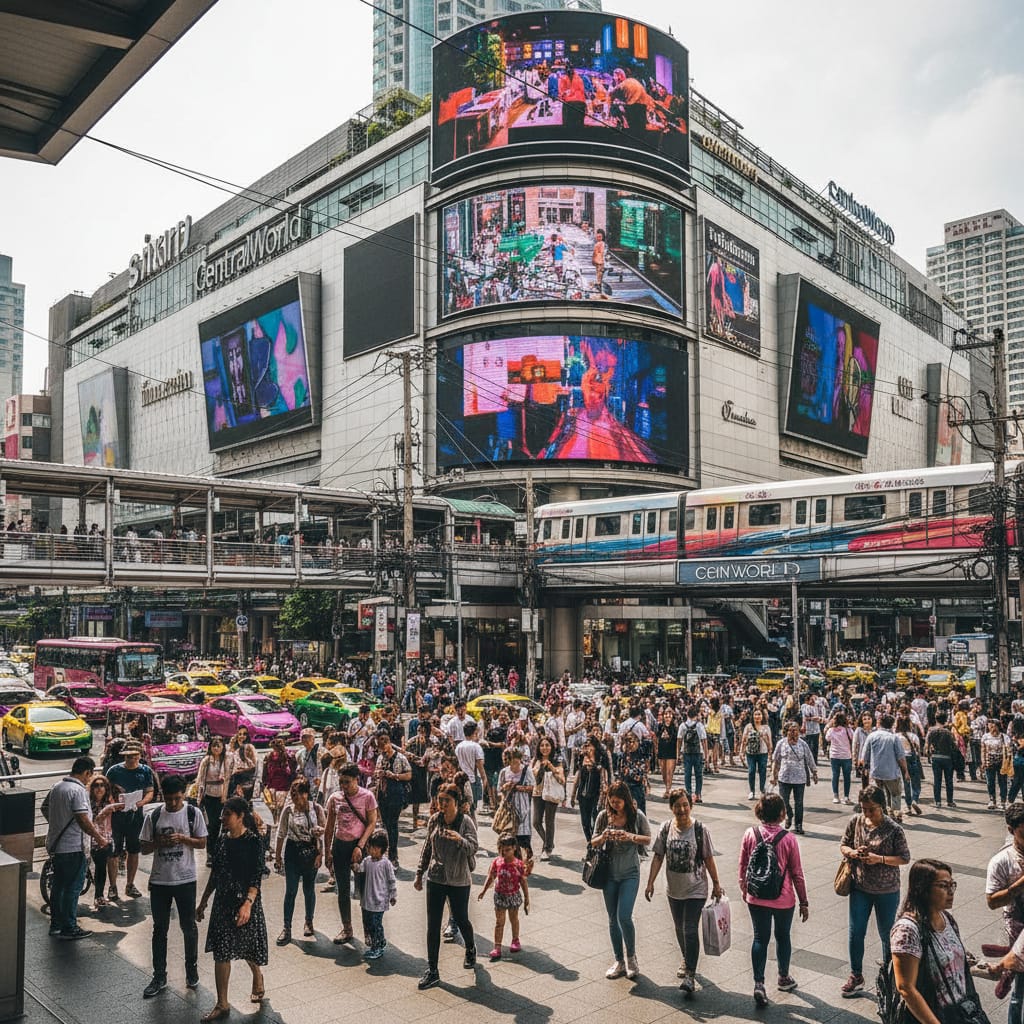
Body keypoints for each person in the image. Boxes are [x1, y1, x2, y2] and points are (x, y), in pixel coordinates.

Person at [644, 788, 723, 996]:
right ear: (671, 808)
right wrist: (650, 882)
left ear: (691, 805)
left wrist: (716, 883)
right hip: (674, 888)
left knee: (689, 928)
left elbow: (708, 858)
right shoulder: (666, 828)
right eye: (677, 805)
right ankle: (687, 959)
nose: (682, 809)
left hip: (696, 888)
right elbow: (658, 856)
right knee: (679, 928)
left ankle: (690, 974)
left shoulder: (700, 829)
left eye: (685, 805)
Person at [195, 798, 268, 1022]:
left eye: (227, 814)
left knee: (247, 946)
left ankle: (257, 974)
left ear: (240, 816)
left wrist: (248, 903)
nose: (222, 818)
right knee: (222, 951)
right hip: (223, 902)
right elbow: (216, 873)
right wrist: (204, 901)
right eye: (223, 814)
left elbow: (256, 875)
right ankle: (222, 1003)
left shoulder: (254, 841)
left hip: (246, 901)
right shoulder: (221, 840)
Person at [837, 784, 911, 997]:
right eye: (864, 809)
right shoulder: (856, 822)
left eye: (872, 809)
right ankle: (856, 974)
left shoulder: (894, 829)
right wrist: (853, 852)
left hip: (887, 890)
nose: (867, 813)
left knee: (888, 934)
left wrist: (879, 859)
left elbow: (904, 858)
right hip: (860, 887)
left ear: (882, 806)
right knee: (855, 931)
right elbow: (843, 844)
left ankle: (892, 977)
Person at [140, 774, 208, 999]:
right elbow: (144, 848)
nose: (173, 803)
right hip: (160, 880)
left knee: (189, 927)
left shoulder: (192, 813)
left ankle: (192, 970)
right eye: (169, 799)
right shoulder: (155, 815)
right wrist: (160, 842)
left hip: (185, 879)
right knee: (160, 929)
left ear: (183, 794)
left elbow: (202, 842)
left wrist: (183, 839)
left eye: (177, 799)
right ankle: (159, 975)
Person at [737, 793, 808, 1006]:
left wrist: (745, 888)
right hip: (783, 898)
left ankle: (759, 983)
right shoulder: (788, 839)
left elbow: (743, 865)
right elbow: (797, 872)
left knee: (760, 938)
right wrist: (803, 901)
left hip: (756, 896)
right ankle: (783, 977)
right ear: (781, 813)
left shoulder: (750, 834)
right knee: (783, 936)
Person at [891, 859, 977, 1024]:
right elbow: (906, 988)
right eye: (943, 886)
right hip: (932, 1015)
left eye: (952, 885)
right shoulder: (907, 930)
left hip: (959, 1012)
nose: (951, 892)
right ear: (922, 890)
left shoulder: (947, 919)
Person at [414, 781, 479, 990]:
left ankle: (470, 947)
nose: (442, 804)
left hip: (459, 879)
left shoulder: (465, 822)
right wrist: (419, 873)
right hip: (436, 877)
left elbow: (473, 847)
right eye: (440, 800)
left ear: (457, 803)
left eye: (447, 801)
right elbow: (427, 848)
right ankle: (432, 970)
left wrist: (459, 839)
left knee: (461, 918)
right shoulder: (435, 820)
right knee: (433, 925)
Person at [591, 780, 652, 981]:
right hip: (609, 873)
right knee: (611, 918)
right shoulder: (603, 816)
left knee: (624, 916)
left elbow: (648, 838)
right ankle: (619, 961)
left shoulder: (636, 815)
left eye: (618, 801)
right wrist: (604, 837)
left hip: (630, 873)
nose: (615, 804)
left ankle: (632, 957)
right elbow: (593, 841)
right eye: (612, 800)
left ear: (626, 799)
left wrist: (629, 836)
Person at [45, 756, 109, 940]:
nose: (90, 780)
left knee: (58, 888)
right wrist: (99, 838)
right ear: (87, 772)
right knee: (72, 889)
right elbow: (82, 819)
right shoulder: (78, 790)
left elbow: (47, 809)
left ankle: (56, 924)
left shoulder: (57, 787)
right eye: (90, 776)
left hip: (57, 846)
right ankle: (69, 927)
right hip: (73, 847)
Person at [323, 763, 378, 945]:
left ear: (356, 780)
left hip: (359, 846)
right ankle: (347, 928)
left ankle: (368, 930)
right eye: (341, 782)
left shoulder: (367, 796)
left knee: (363, 891)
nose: (344, 786)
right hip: (340, 846)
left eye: (347, 782)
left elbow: (372, 822)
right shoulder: (335, 798)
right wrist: (327, 852)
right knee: (343, 891)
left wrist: (360, 846)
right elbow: (329, 826)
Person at [274, 778, 325, 946]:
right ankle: (286, 927)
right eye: (292, 795)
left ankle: (309, 922)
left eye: (297, 795)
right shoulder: (288, 811)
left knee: (308, 889)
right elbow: (281, 833)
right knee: (291, 891)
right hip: (292, 852)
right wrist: (278, 856)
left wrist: (321, 854)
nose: (294, 799)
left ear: (306, 794)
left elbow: (324, 833)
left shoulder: (316, 809)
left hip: (311, 852)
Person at [986, 802, 1024, 1023]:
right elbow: (991, 902)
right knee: (1019, 991)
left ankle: (1002, 968)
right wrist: (1020, 883)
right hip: (1018, 927)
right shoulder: (1001, 861)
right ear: (1011, 830)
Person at [106, 741, 155, 900]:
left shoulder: (146, 771)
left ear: (139, 756)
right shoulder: (114, 771)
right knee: (113, 852)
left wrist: (140, 803)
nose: (132, 759)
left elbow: (150, 792)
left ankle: (130, 884)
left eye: (134, 756)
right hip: (116, 817)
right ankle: (112, 886)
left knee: (134, 851)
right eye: (128, 756)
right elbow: (106, 791)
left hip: (136, 816)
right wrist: (113, 802)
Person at [478, 833, 530, 961]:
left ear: (514, 849)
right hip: (500, 896)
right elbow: (491, 877)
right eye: (502, 850)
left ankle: (515, 940)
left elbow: (523, 882)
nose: (504, 852)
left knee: (514, 919)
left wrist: (527, 899)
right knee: (499, 922)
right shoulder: (497, 862)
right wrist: (483, 891)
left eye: (508, 850)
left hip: (513, 896)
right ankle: (497, 947)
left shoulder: (518, 864)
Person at [859, 714, 910, 821]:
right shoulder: (893, 738)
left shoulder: (872, 736)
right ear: (891, 725)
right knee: (895, 794)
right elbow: (901, 757)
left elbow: (864, 757)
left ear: (880, 723)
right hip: (891, 772)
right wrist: (905, 771)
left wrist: (866, 768)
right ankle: (896, 815)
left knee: (879, 794)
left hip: (876, 772)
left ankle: (883, 813)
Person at [771, 721, 818, 835]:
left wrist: (814, 772)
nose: (794, 733)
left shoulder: (803, 744)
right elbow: (775, 760)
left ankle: (798, 825)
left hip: (799, 778)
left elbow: (810, 758)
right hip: (784, 777)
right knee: (783, 801)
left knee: (799, 802)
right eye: (791, 730)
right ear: (786, 732)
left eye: (796, 730)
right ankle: (789, 814)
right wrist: (773, 774)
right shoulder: (781, 743)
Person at [373, 731, 412, 867]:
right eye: (380, 748)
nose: (383, 750)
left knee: (393, 825)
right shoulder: (380, 758)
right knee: (384, 824)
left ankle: (393, 856)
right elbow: (376, 772)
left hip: (396, 793)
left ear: (389, 744)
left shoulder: (400, 758)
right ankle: (385, 853)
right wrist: (379, 774)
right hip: (382, 794)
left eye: (385, 746)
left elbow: (408, 775)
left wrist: (394, 775)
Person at [358, 831, 397, 960]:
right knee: (370, 923)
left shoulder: (386, 864)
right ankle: (380, 941)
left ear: (382, 850)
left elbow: (391, 880)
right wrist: (355, 866)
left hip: (379, 900)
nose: (372, 851)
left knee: (376, 924)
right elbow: (360, 870)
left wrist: (392, 895)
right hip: (367, 900)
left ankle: (377, 947)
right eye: (371, 848)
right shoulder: (367, 861)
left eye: (375, 848)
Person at [88, 774, 122, 911]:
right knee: (100, 866)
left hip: (107, 837)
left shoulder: (109, 801)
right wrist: (106, 811)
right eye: (96, 785)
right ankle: (98, 895)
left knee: (104, 866)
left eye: (102, 785)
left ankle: (101, 894)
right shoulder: (88, 803)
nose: (99, 788)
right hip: (93, 838)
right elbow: (93, 821)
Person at [531, 735, 566, 861]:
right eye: (542, 745)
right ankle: (548, 842)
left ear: (552, 747)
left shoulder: (557, 760)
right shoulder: (536, 760)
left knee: (549, 821)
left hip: (551, 793)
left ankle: (547, 848)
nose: (544, 748)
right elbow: (532, 776)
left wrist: (551, 767)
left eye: (547, 745)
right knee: (536, 822)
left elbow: (562, 780)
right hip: (538, 793)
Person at [499, 747, 536, 864]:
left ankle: (526, 858)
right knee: (510, 836)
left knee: (523, 836)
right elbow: (499, 789)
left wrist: (518, 787)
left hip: (523, 808)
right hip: (509, 808)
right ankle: (512, 861)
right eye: (512, 762)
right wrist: (505, 788)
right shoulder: (504, 772)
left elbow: (532, 788)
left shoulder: (526, 771)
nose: (515, 765)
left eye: (517, 762)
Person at [572, 735, 611, 843]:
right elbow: (577, 777)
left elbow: (604, 776)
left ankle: (594, 845)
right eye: (586, 745)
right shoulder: (581, 758)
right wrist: (572, 795)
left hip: (596, 795)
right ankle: (590, 843)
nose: (587, 748)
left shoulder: (600, 759)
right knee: (585, 823)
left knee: (596, 821)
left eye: (589, 745)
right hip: (583, 795)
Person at [196, 738, 228, 864]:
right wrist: (200, 795)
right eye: (214, 746)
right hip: (209, 796)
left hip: (222, 796)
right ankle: (210, 853)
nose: (216, 748)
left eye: (218, 746)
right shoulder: (206, 761)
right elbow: (201, 778)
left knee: (221, 825)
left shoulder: (226, 760)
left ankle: (219, 852)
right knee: (212, 824)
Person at [260, 736, 297, 838]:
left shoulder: (287, 757)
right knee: (275, 816)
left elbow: (292, 773)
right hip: (275, 790)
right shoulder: (270, 757)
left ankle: (276, 839)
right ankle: (272, 838)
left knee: (277, 816)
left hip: (280, 790)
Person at [925, 711, 958, 808]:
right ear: (945, 720)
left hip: (936, 758)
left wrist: (929, 755)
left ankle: (938, 801)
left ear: (936, 719)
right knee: (949, 780)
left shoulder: (932, 731)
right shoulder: (948, 733)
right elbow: (954, 746)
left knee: (937, 780)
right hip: (947, 758)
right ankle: (950, 801)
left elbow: (927, 747)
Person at [455, 720, 486, 819]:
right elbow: (480, 765)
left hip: (461, 779)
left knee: (462, 808)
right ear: (475, 732)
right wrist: (484, 779)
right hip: (473, 779)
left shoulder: (458, 746)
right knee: (472, 810)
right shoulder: (476, 747)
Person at [677, 708, 708, 803]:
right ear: (696, 715)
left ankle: (689, 794)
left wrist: (678, 753)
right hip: (698, 752)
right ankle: (698, 794)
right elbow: (704, 740)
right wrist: (706, 755)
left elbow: (679, 740)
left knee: (687, 774)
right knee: (699, 774)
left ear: (687, 714)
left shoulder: (682, 726)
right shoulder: (699, 725)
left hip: (686, 752)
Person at [741, 708, 773, 800]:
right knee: (751, 771)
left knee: (762, 771)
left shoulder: (766, 727)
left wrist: (771, 752)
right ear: (752, 716)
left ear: (762, 716)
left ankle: (762, 790)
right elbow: (744, 740)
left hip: (763, 752)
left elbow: (770, 741)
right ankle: (752, 791)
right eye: (755, 714)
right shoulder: (749, 726)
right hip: (750, 753)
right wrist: (741, 752)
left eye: (759, 714)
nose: (757, 716)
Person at [825, 709, 855, 805]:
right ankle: (846, 797)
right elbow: (853, 738)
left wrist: (829, 725)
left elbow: (827, 738)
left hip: (834, 756)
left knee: (835, 776)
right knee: (847, 777)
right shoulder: (848, 730)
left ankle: (836, 796)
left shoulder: (831, 730)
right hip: (846, 756)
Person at [226, 727, 257, 801]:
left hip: (245, 778)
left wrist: (242, 771)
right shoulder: (233, 747)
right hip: (233, 778)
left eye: (244, 734)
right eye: (240, 734)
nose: (242, 736)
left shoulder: (249, 747)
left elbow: (254, 764)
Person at [654, 705, 678, 797]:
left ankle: (668, 790)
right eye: (666, 714)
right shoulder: (660, 726)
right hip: (662, 750)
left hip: (671, 751)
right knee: (663, 772)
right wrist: (656, 748)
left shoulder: (675, 727)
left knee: (669, 772)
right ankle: (666, 786)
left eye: (669, 714)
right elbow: (656, 738)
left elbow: (678, 740)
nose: (667, 716)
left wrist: (678, 753)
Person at [294, 728, 322, 802]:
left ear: (313, 738)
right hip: (306, 784)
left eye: (309, 737)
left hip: (318, 783)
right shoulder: (299, 754)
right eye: (304, 737)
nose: (306, 740)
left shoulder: (321, 751)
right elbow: (299, 768)